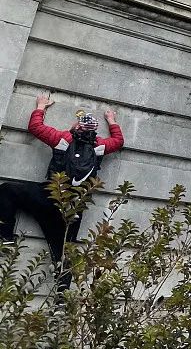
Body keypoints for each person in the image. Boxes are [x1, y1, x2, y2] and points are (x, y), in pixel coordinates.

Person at [0, 95, 124, 290]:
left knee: (7, 190)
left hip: (48, 197)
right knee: (65, 255)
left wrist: (41, 106)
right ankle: (61, 299)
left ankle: (6, 237)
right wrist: (111, 120)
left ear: (76, 127)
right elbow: (118, 141)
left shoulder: (63, 139)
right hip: (73, 208)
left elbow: (35, 127)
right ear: (93, 131)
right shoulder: (99, 146)